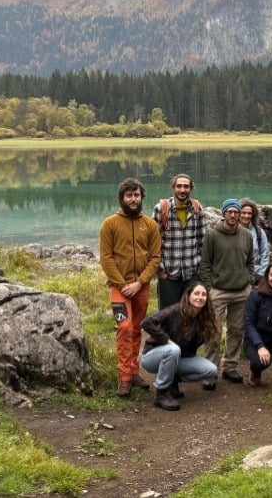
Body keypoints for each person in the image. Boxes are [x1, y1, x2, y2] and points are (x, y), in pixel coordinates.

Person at [99, 177, 162, 397]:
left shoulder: (150, 224)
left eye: (136, 195)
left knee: (136, 330)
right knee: (124, 328)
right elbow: (106, 258)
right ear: (122, 198)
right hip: (119, 288)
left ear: (141, 197)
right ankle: (124, 376)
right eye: (129, 195)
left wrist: (140, 282)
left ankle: (134, 371)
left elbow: (155, 258)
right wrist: (123, 284)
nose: (133, 199)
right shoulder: (110, 224)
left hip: (141, 287)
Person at [197, 198, 254, 386]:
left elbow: (250, 261)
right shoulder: (212, 235)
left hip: (241, 291)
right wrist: (208, 287)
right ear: (224, 213)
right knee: (213, 332)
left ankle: (230, 366)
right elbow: (205, 264)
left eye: (236, 212)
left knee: (237, 331)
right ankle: (209, 371)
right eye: (229, 211)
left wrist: (250, 281)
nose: (233, 215)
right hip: (218, 291)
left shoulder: (246, 235)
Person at [139, 282, 220, 411]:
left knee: (211, 370)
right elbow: (146, 323)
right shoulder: (175, 310)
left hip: (177, 358)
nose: (200, 297)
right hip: (153, 357)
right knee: (173, 349)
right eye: (196, 293)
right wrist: (166, 340)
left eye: (204, 294)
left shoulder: (204, 318)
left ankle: (172, 380)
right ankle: (161, 393)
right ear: (188, 295)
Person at [152, 173, 206, 309]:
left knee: (191, 312)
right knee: (168, 314)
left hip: (191, 272)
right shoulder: (161, 209)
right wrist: (160, 269)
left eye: (186, 187)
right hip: (168, 273)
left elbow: (202, 241)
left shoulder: (197, 209)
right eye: (179, 186)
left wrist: (199, 265)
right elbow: (152, 243)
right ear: (173, 188)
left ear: (191, 189)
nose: (182, 190)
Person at [240, 198, 271, 282]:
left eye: (249, 213)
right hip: (237, 276)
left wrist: (261, 274)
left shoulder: (259, 232)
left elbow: (265, 254)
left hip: (255, 274)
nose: (246, 216)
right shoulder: (232, 231)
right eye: (243, 213)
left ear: (253, 215)